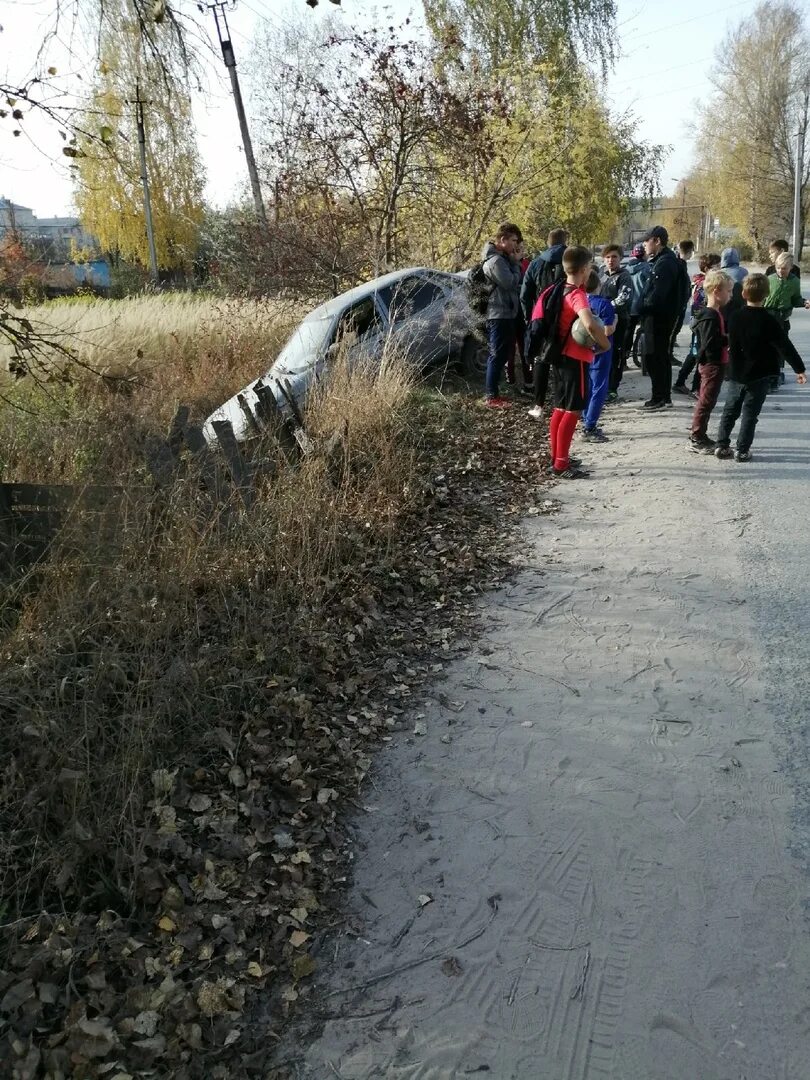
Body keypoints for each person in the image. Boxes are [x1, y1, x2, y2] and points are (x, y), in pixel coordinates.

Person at [534, 246, 609, 478]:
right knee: (573, 410)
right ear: (585, 269)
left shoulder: (557, 287)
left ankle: (556, 456)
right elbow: (589, 324)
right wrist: (605, 344)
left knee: (560, 408)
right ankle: (561, 465)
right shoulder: (577, 294)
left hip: (558, 357)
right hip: (575, 359)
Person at [715, 273, 807, 462]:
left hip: (736, 373)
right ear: (766, 294)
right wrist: (799, 369)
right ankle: (742, 450)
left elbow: (730, 342)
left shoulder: (735, 317)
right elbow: (784, 346)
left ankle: (722, 445)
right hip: (760, 375)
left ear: (743, 294)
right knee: (750, 414)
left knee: (730, 410)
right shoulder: (769, 320)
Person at [520, 228, 568, 411]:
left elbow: (525, 295)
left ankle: (538, 404)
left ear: (548, 243)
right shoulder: (570, 260)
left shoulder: (535, 264)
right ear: (564, 242)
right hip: (566, 316)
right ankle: (560, 403)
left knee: (541, 358)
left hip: (541, 316)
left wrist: (529, 316)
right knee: (561, 359)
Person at [688, 268, 734, 453]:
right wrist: (729, 339)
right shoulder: (710, 315)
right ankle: (696, 437)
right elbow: (710, 343)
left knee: (708, 401)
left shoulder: (714, 313)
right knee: (705, 402)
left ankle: (700, 434)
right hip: (712, 364)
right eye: (728, 291)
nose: (731, 295)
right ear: (716, 291)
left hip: (716, 363)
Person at [481, 222, 523, 408]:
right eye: (513, 240)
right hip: (498, 313)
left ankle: (495, 393)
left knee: (502, 354)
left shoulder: (501, 258)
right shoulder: (496, 261)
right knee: (496, 354)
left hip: (505, 312)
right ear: (502, 239)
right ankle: (491, 396)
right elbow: (510, 283)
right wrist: (515, 264)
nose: (516, 244)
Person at [640, 225, 683, 408]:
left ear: (657, 241)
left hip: (658, 318)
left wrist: (641, 308)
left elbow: (658, 294)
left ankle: (659, 396)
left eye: (646, 241)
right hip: (661, 317)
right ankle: (663, 396)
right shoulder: (664, 260)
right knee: (659, 356)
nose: (644, 245)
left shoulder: (665, 263)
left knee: (654, 357)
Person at [672, 252, 721, 396]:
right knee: (700, 353)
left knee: (695, 353)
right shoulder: (704, 284)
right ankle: (696, 387)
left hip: (700, 321)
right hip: (702, 323)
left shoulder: (704, 281)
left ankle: (682, 383)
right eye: (716, 266)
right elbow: (703, 304)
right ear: (706, 268)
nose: (719, 269)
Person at [763, 252, 810, 389]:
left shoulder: (794, 281)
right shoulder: (769, 279)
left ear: (790, 268)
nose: (780, 271)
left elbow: (795, 299)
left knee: (781, 348)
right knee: (767, 347)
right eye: (778, 268)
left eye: (784, 268)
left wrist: (804, 302)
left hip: (782, 318)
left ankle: (776, 375)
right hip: (768, 315)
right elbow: (762, 296)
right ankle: (765, 374)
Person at [582, 268, 617, 441]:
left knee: (586, 386)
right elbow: (608, 329)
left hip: (583, 349)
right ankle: (590, 426)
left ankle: (584, 418)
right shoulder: (604, 304)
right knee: (599, 388)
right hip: (601, 351)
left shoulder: (580, 302)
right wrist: (615, 321)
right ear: (599, 284)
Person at [598, 244, 632, 399]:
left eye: (614, 257)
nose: (610, 260)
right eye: (608, 257)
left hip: (619, 320)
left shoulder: (624, 276)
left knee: (616, 353)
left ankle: (612, 388)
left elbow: (624, 297)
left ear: (620, 258)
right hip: (601, 321)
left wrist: (606, 306)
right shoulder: (602, 275)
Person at [668, 239, 695, 362]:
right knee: (674, 330)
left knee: (674, 330)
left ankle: (669, 353)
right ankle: (669, 354)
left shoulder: (677, 263)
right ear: (690, 251)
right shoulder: (680, 265)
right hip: (678, 304)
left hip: (678, 303)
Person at [624, 243, 651, 366]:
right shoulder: (648, 268)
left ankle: (624, 358)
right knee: (646, 328)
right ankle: (645, 354)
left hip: (629, 306)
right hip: (643, 305)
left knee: (628, 332)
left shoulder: (626, 270)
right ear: (644, 255)